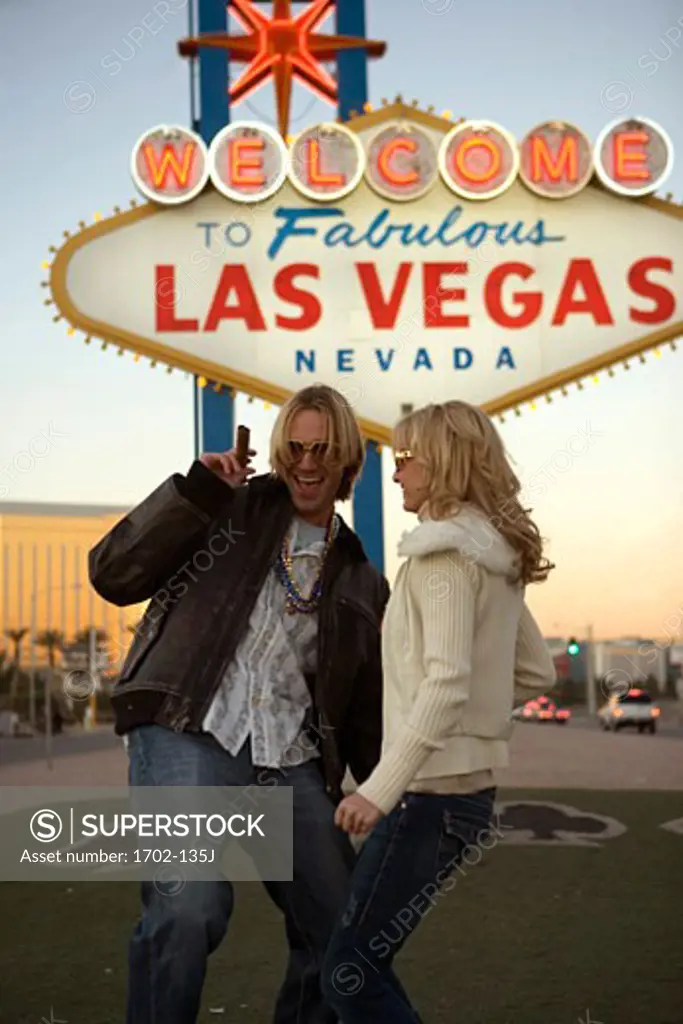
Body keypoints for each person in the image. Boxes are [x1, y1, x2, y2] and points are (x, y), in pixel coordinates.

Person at [88, 384, 389, 1024]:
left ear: (349, 465)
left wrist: (391, 788)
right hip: (186, 728)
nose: (307, 464)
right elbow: (112, 573)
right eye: (295, 448)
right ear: (279, 454)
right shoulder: (227, 507)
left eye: (323, 450)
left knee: (341, 924)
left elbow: (365, 714)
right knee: (188, 906)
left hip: (286, 755)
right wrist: (195, 493)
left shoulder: (363, 577)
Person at [321, 399, 557, 1023]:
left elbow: (447, 683)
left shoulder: (443, 554)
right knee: (359, 965)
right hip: (467, 800)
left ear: (443, 461)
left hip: (426, 799)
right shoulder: (494, 554)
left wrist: (378, 790)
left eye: (405, 459)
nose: (394, 473)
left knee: (348, 974)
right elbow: (537, 671)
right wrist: (464, 724)